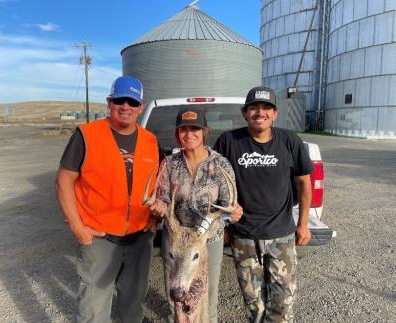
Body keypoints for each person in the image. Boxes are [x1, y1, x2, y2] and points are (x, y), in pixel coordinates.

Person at [55, 75, 160, 323]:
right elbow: (63, 181)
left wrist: (154, 220)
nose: (126, 107)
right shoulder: (87, 135)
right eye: (120, 100)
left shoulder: (150, 140)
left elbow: (157, 186)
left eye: (132, 102)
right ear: (109, 102)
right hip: (100, 238)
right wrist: (77, 226)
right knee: (93, 306)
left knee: (133, 303)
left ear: (141, 106)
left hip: (139, 238)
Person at [213, 86, 313, 323]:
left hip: (282, 236)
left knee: (283, 303)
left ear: (275, 113)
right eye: (254, 107)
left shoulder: (289, 141)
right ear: (244, 112)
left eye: (266, 107)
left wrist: (304, 224)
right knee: (254, 304)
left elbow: (304, 184)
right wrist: (224, 225)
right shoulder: (229, 141)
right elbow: (215, 185)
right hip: (244, 237)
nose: (260, 112)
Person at [150, 107, 243, 323]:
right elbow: (162, 196)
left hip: (206, 240)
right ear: (177, 134)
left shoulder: (220, 165)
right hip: (175, 240)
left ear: (205, 132)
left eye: (195, 129)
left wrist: (233, 212)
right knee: (175, 293)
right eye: (183, 130)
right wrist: (160, 207)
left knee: (206, 296)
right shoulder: (170, 164)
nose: (189, 135)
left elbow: (228, 204)